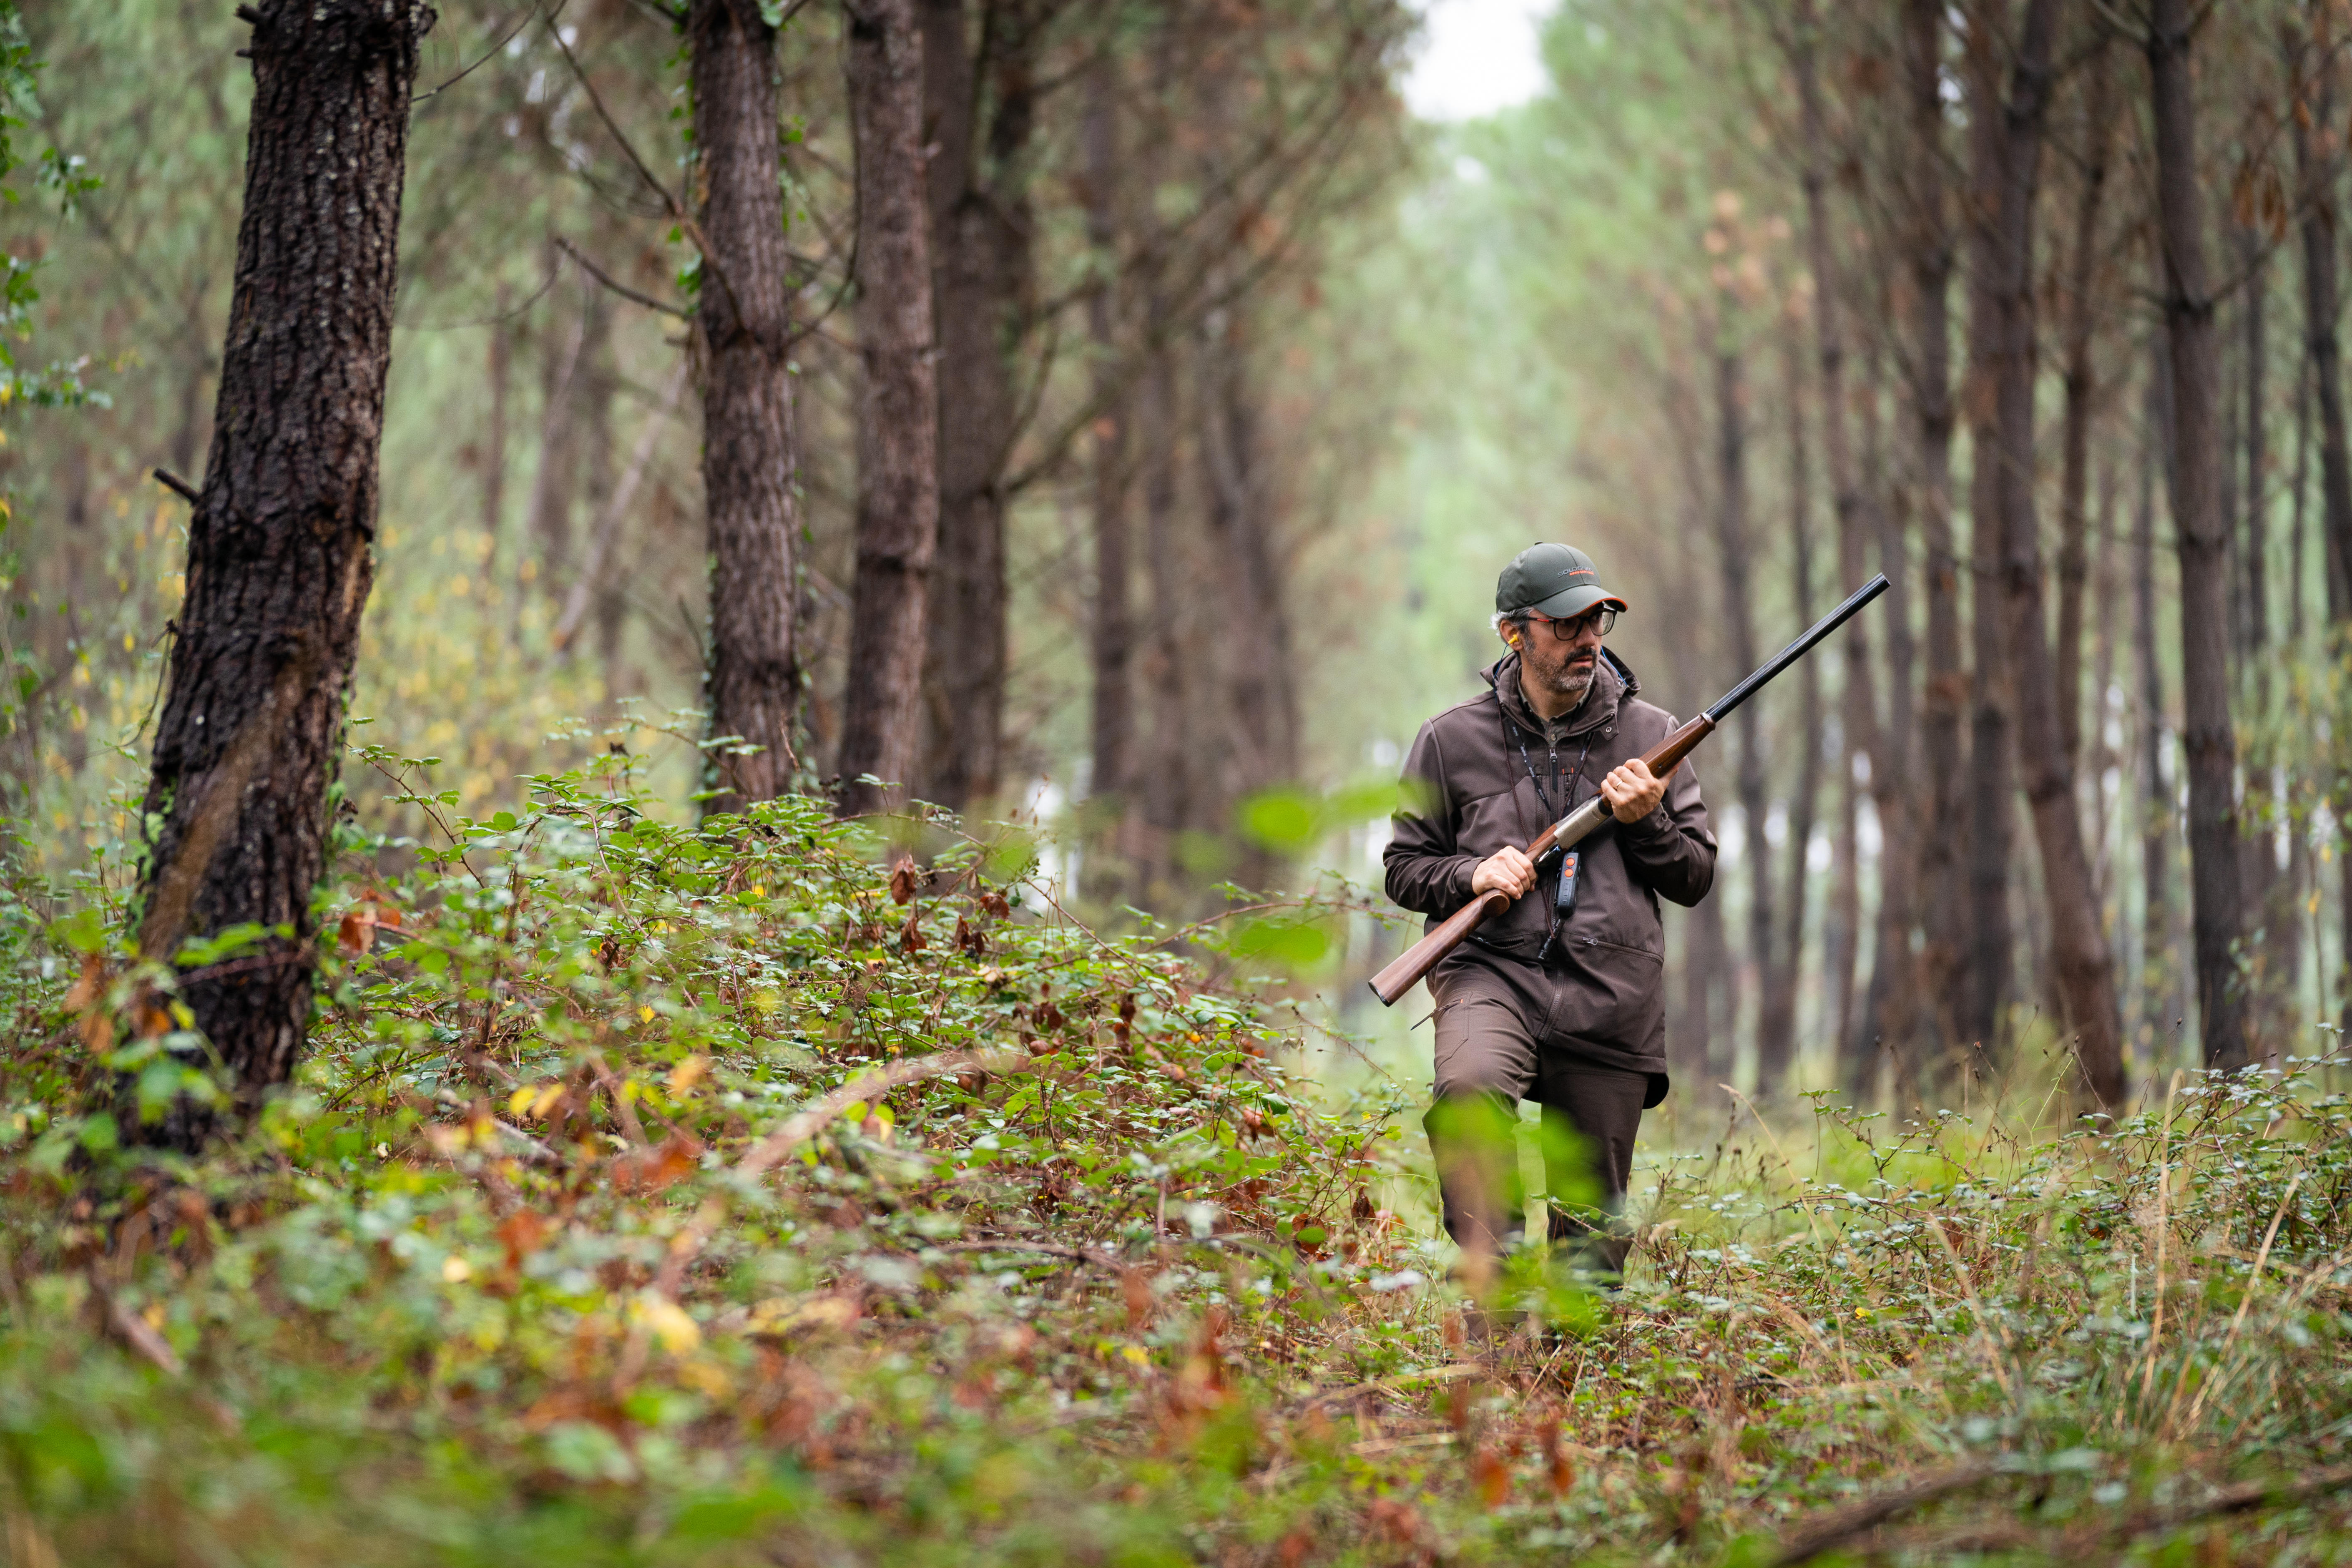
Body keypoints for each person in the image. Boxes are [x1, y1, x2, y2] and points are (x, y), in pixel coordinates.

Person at [1382, 543, 1716, 1291]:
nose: (1588, 638)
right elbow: (1404, 869)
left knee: (1591, 1232)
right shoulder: (1450, 740)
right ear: (1514, 633)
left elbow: (1694, 876)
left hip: (1611, 991)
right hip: (1491, 972)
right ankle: (1493, 1310)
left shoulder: (1652, 737)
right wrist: (1472, 871)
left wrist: (1648, 822)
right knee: (1468, 1099)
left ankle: (1570, 1385)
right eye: (1566, 624)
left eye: (1598, 619)